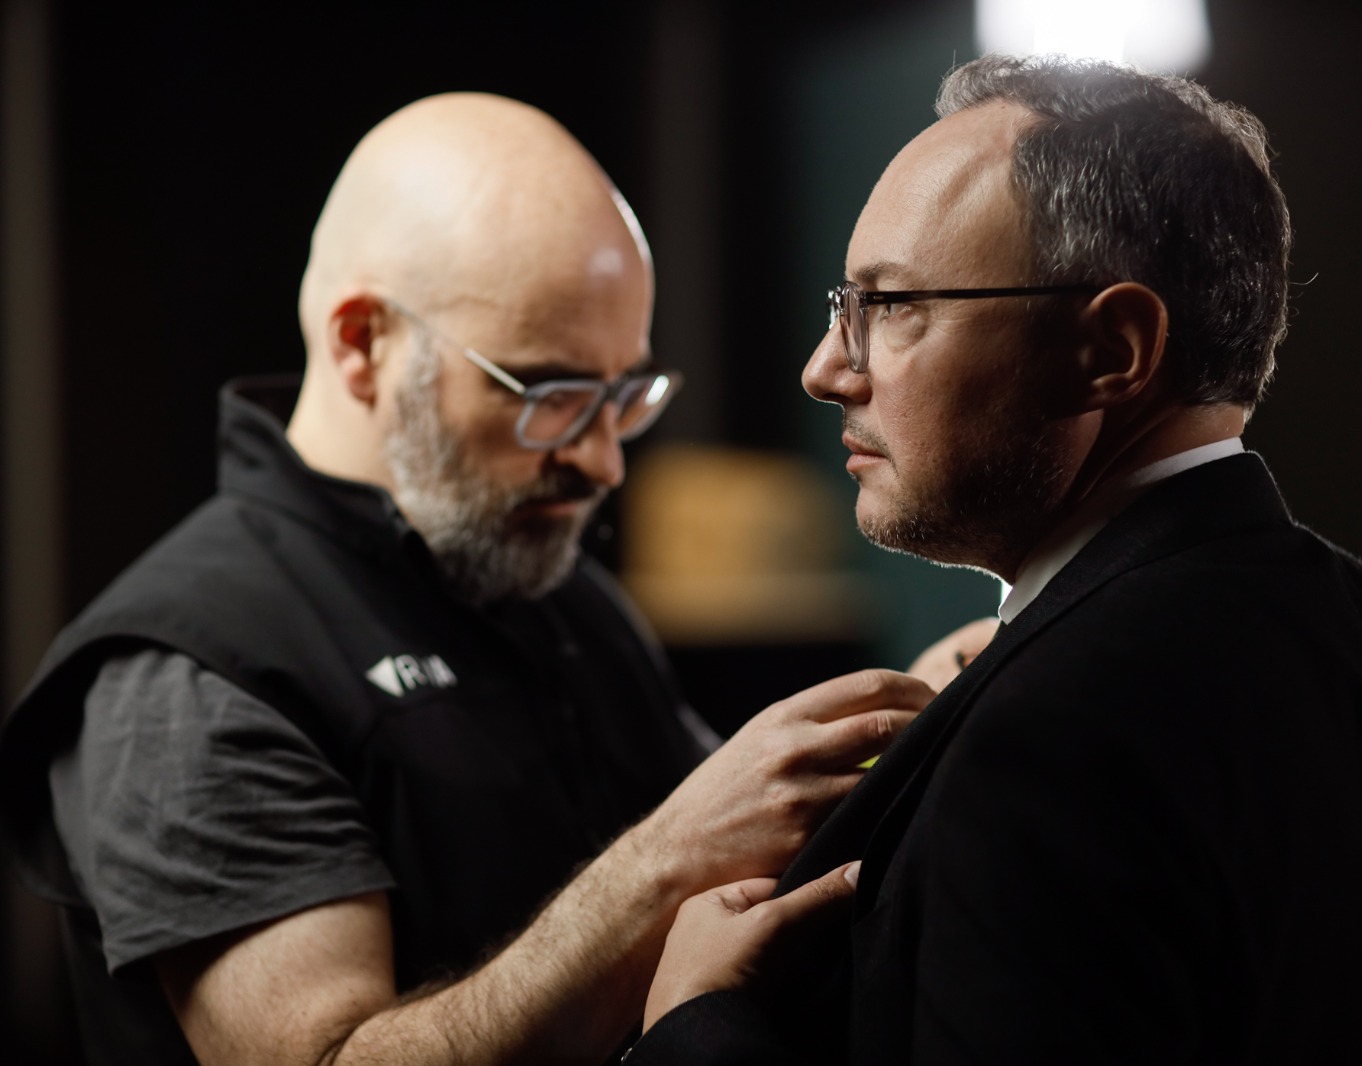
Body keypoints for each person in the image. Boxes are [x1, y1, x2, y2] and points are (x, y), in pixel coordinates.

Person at [0, 93, 951, 1066]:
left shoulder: (545, 582)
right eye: (548, 394)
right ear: (363, 343)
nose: (604, 462)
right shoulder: (191, 673)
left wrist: (910, 728)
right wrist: (663, 862)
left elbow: (739, 862)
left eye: (624, 394)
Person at [630, 55, 1362, 1064]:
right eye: (847, 305)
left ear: (1113, 348)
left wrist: (694, 1020)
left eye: (893, 306)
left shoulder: (1047, 731)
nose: (826, 368)